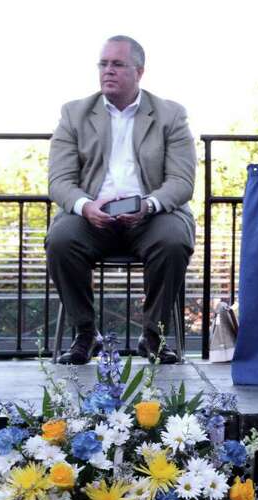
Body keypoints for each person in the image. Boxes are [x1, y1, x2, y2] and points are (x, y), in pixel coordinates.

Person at [46, 36, 196, 364]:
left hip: (152, 215)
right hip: (92, 215)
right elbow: (59, 181)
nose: (108, 71)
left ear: (139, 72)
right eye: (103, 64)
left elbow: (182, 182)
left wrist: (149, 205)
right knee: (60, 239)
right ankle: (86, 335)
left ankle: (153, 337)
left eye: (117, 64)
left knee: (173, 240)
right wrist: (86, 206)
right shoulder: (74, 113)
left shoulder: (170, 115)